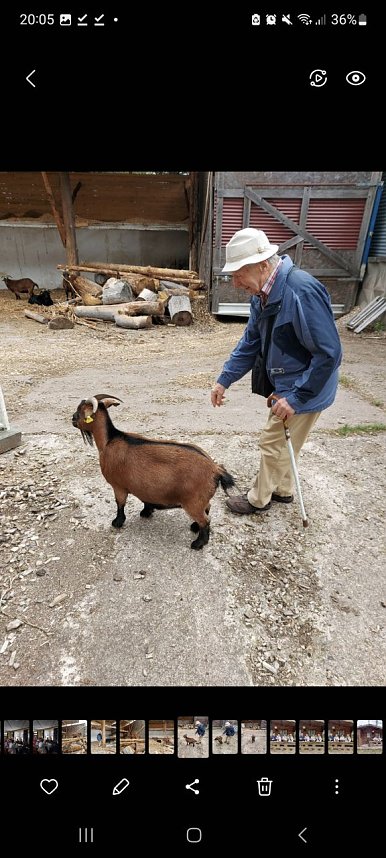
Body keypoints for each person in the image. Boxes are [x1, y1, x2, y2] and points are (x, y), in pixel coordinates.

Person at [211, 228, 342, 515]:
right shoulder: (262, 294)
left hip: (307, 386)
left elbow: (329, 353)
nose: (235, 282)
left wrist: (296, 397)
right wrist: (225, 380)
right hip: (289, 384)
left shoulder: (300, 291)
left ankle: (258, 499)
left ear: (262, 264)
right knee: (288, 440)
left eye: (238, 273)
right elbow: (251, 342)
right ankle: (283, 490)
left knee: (272, 442)